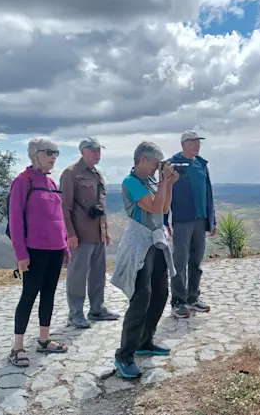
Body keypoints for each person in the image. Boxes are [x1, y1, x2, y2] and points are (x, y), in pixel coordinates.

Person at [111, 141, 178, 378]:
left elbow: (164, 205)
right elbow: (151, 206)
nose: (156, 168)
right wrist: (163, 182)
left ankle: (145, 340)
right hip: (139, 242)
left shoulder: (151, 180)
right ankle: (125, 354)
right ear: (142, 160)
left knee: (161, 291)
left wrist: (167, 182)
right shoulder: (131, 182)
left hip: (156, 240)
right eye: (154, 163)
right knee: (142, 296)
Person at [8, 137, 71, 367]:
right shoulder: (22, 181)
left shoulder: (51, 183)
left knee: (49, 294)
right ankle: (17, 347)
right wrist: (21, 254)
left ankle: (44, 340)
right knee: (28, 296)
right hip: (34, 251)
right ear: (35, 154)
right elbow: (15, 220)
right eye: (49, 152)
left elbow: (59, 217)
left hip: (55, 249)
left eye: (56, 152)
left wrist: (64, 245)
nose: (54, 156)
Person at [59, 137, 119, 329]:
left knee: (98, 273)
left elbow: (100, 205)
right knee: (77, 274)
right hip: (80, 234)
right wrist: (70, 234)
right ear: (83, 151)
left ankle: (97, 309)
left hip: (98, 233)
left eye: (99, 150)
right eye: (93, 150)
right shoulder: (71, 174)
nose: (97, 154)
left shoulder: (96, 174)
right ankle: (75, 313)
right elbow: (64, 207)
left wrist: (106, 230)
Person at [163, 130, 217, 319]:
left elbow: (208, 193)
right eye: (193, 142)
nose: (197, 145)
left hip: (200, 219)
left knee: (196, 260)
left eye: (198, 142)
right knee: (180, 260)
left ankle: (193, 298)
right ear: (183, 144)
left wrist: (212, 220)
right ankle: (178, 301)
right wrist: (164, 220)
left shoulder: (201, 164)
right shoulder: (172, 164)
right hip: (182, 219)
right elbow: (164, 192)